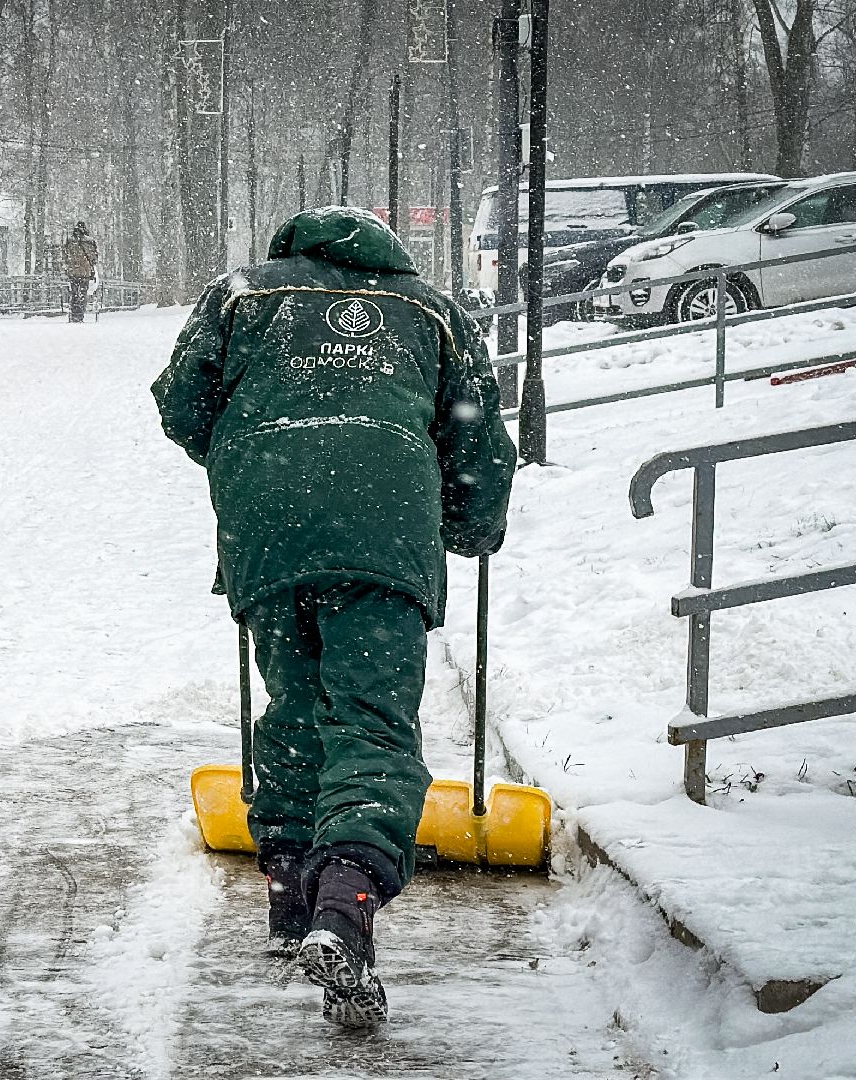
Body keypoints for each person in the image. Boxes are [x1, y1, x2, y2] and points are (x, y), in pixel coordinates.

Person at [151, 206, 515, 1028]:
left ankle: (288, 890)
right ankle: (344, 903)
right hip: (386, 530)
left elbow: (181, 403)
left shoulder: (242, 294)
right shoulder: (432, 310)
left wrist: (256, 454)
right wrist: (474, 524)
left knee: (296, 703)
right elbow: (481, 438)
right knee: (372, 722)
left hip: (271, 530)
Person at [61, 221, 99, 323]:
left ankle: (74, 315)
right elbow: (94, 258)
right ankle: (80, 315)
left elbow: (64, 256)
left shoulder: (69, 241)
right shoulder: (90, 242)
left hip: (73, 273)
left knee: (74, 294)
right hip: (85, 272)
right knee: (83, 293)